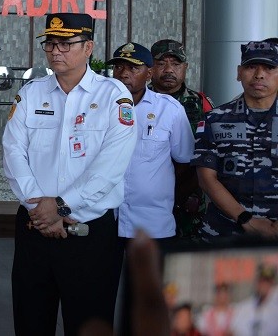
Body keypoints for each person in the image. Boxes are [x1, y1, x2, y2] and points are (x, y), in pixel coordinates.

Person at [2, 12, 137, 335]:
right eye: (50, 43)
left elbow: (111, 167)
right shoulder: (32, 93)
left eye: (66, 44)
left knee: (88, 324)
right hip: (36, 228)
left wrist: (60, 206)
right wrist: (41, 208)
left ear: (88, 47)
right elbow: (13, 152)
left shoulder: (112, 96)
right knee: (31, 321)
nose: (56, 51)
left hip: (88, 233)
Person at [192, 41, 278, 240]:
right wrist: (246, 219)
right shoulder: (215, 119)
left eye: (269, 68)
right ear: (239, 72)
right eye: (250, 67)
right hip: (226, 232)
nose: (259, 75)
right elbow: (206, 179)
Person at [107, 42, 194, 240]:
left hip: (152, 223)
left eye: (133, 67)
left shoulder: (169, 109)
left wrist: (161, 192)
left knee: (149, 273)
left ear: (149, 74)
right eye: (118, 67)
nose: (124, 73)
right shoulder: (96, 109)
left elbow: (185, 163)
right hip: (105, 220)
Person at [150, 39, 214, 239]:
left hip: (190, 199)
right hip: (148, 198)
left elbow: (210, 152)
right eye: (161, 64)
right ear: (150, 67)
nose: (169, 70)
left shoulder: (200, 103)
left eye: (176, 64)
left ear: (185, 67)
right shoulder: (138, 101)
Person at [229, 264, 278, 336]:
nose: (264, 285)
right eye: (261, 281)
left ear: (272, 284)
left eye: (267, 281)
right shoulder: (245, 307)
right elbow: (235, 329)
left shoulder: (275, 308)